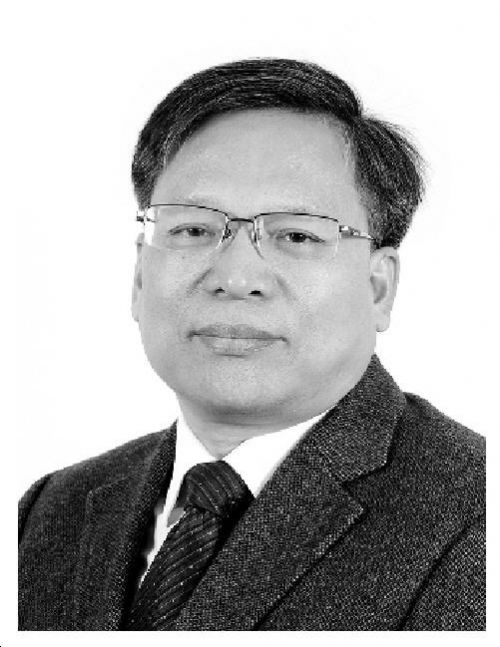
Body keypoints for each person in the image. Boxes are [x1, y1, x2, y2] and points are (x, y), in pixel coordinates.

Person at [18, 58, 485, 631]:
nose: (236, 277)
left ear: (378, 287)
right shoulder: (51, 509)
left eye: (297, 235)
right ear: (140, 276)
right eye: (193, 229)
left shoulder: (475, 518)